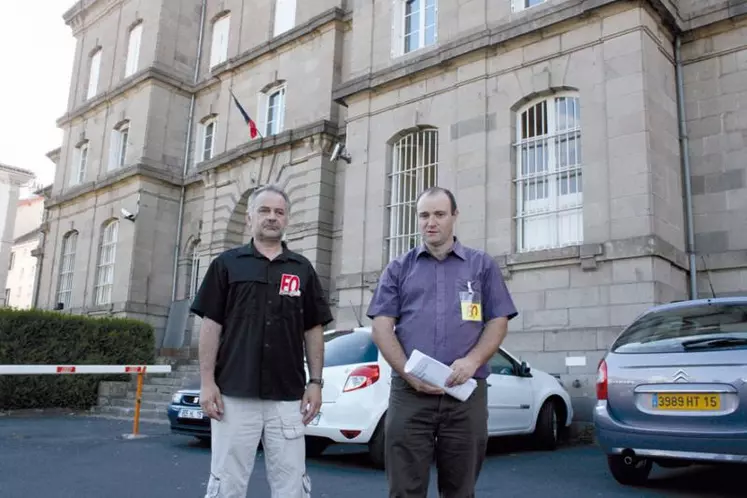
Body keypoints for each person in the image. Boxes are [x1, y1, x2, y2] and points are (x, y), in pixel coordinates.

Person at [367, 186, 518, 498]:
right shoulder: (398, 268)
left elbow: (498, 320)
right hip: (409, 395)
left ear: (454, 217)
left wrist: (473, 360)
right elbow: (382, 327)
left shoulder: (481, 266)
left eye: (439, 214)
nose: (430, 222)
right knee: (404, 489)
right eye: (424, 215)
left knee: (460, 489)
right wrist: (410, 374)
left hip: (465, 394)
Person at [190, 184, 334, 498]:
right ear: (250, 218)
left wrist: (316, 383)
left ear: (287, 219)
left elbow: (313, 329)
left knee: (291, 485)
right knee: (227, 484)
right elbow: (211, 326)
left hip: (287, 396)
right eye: (265, 211)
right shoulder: (226, 264)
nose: (272, 217)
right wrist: (206, 382)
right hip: (234, 393)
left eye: (279, 212)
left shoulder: (302, 269)